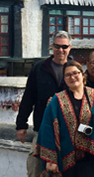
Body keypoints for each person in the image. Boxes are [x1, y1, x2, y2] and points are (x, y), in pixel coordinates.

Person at [34, 60, 94, 176]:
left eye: (75, 73)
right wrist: (51, 159)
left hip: (91, 159)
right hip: (65, 159)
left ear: (82, 74)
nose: (72, 77)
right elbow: (47, 129)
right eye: (68, 75)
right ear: (64, 79)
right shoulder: (57, 100)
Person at [16, 31, 71, 177]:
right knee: (35, 169)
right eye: (57, 46)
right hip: (42, 129)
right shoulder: (40, 68)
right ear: (52, 47)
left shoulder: (74, 70)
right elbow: (29, 97)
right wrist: (21, 124)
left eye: (64, 47)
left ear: (70, 48)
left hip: (67, 132)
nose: (61, 50)